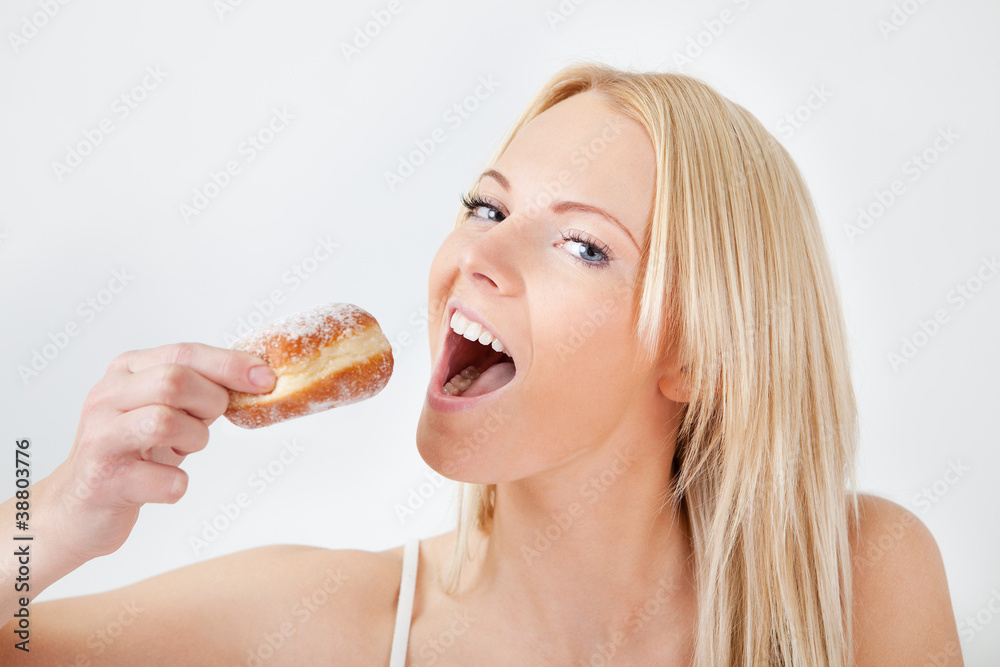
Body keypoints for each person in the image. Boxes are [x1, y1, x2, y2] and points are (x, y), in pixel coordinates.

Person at [1, 62, 962, 666]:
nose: (478, 257)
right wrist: (54, 515)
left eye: (583, 245)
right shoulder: (329, 623)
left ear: (699, 353)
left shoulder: (859, 579)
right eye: (487, 209)